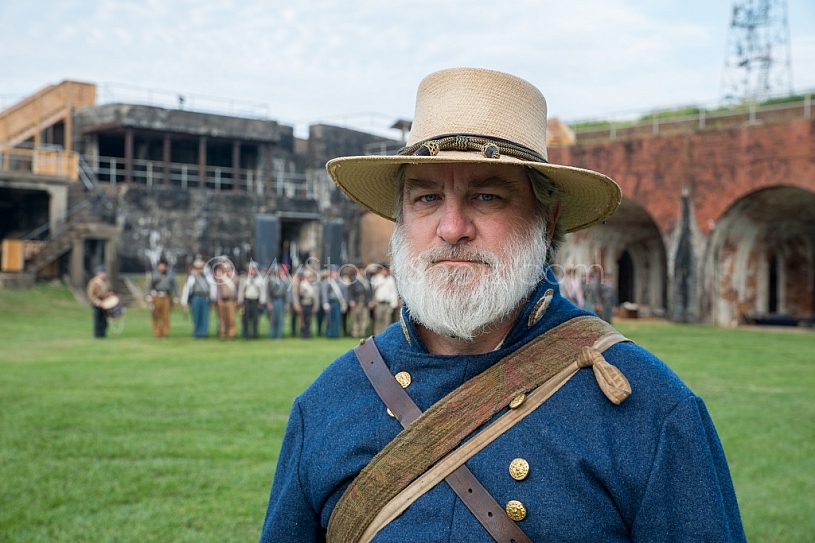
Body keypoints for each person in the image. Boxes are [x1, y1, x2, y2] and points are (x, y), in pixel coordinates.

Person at [259, 68, 745, 542]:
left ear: (547, 220)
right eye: (427, 197)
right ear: (402, 218)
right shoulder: (327, 405)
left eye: (486, 195)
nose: (452, 228)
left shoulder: (650, 410)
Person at [181, 259, 214, 338]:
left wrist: (212, 299)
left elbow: (212, 288)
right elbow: (187, 289)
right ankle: (196, 333)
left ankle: (204, 333)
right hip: (196, 297)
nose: (199, 269)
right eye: (197, 268)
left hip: (205, 298)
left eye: (200, 267)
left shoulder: (208, 277)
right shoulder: (191, 277)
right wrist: (184, 301)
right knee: (196, 316)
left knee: (205, 316)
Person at [147, 258, 179, 338]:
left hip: (166, 296)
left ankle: (165, 332)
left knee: (166, 316)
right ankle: (157, 332)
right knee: (155, 315)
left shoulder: (171, 275)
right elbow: (148, 285)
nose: (162, 267)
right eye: (160, 266)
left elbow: (175, 286)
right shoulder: (153, 275)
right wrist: (148, 296)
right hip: (156, 296)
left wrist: (176, 297)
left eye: (163, 266)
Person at [238, 264, 267, 339]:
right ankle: (246, 334)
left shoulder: (259, 280)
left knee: (255, 319)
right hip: (247, 301)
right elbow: (241, 291)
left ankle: (255, 334)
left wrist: (261, 302)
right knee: (246, 319)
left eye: (254, 270)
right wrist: (240, 302)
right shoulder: (244, 279)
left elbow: (262, 292)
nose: (252, 271)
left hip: (255, 301)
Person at [320, 264, 348, 339]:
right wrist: (325, 303)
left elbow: (344, 293)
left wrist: (344, 303)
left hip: (338, 303)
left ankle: (336, 334)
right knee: (330, 319)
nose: (334, 273)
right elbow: (324, 293)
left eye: (335, 272)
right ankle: (329, 334)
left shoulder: (341, 282)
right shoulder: (327, 282)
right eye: (333, 272)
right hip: (330, 302)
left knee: (337, 319)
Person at [370, 264, 399, 335]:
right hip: (378, 302)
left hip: (387, 303)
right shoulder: (376, 278)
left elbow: (393, 292)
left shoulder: (390, 279)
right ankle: (377, 335)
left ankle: (385, 335)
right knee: (378, 320)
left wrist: (393, 303)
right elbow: (372, 291)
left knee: (387, 320)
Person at [347, 264, 374, 338]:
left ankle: (362, 332)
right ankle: (355, 333)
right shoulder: (353, 279)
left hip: (365, 301)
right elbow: (350, 291)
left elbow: (371, 291)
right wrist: (351, 301)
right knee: (355, 318)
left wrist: (371, 300)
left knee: (364, 318)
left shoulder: (367, 279)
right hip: (356, 301)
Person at [86, 265, 113, 338]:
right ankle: (97, 334)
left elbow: (109, 290)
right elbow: (91, 294)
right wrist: (97, 302)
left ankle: (103, 333)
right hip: (97, 302)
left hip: (105, 301)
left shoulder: (106, 282)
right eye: (102, 273)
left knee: (104, 319)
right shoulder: (94, 282)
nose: (104, 274)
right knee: (98, 319)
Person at [214, 260, 238, 340]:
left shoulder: (234, 277)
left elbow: (236, 289)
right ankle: (222, 333)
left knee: (231, 318)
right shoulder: (220, 277)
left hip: (230, 300)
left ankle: (231, 334)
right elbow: (218, 289)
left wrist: (236, 300)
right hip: (222, 300)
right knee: (222, 319)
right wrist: (219, 300)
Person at [292, 268, 319, 338]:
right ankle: (303, 334)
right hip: (303, 303)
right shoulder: (301, 284)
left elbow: (315, 296)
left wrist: (315, 306)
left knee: (308, 320)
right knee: (302, 320)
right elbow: (297, 295)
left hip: (310, 303)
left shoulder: (313, 285)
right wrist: (297, 305)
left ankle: (308, 333)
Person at [266, 264, 290, 339]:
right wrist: (269, 302)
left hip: (281, 300)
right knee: (273, 318)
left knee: (280, 319)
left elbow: (286, 293)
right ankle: (272, 335)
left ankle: (280, 335)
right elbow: (268, 293)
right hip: (273, 300)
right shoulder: (270, 280)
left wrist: (287, 303)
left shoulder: (284, 281)